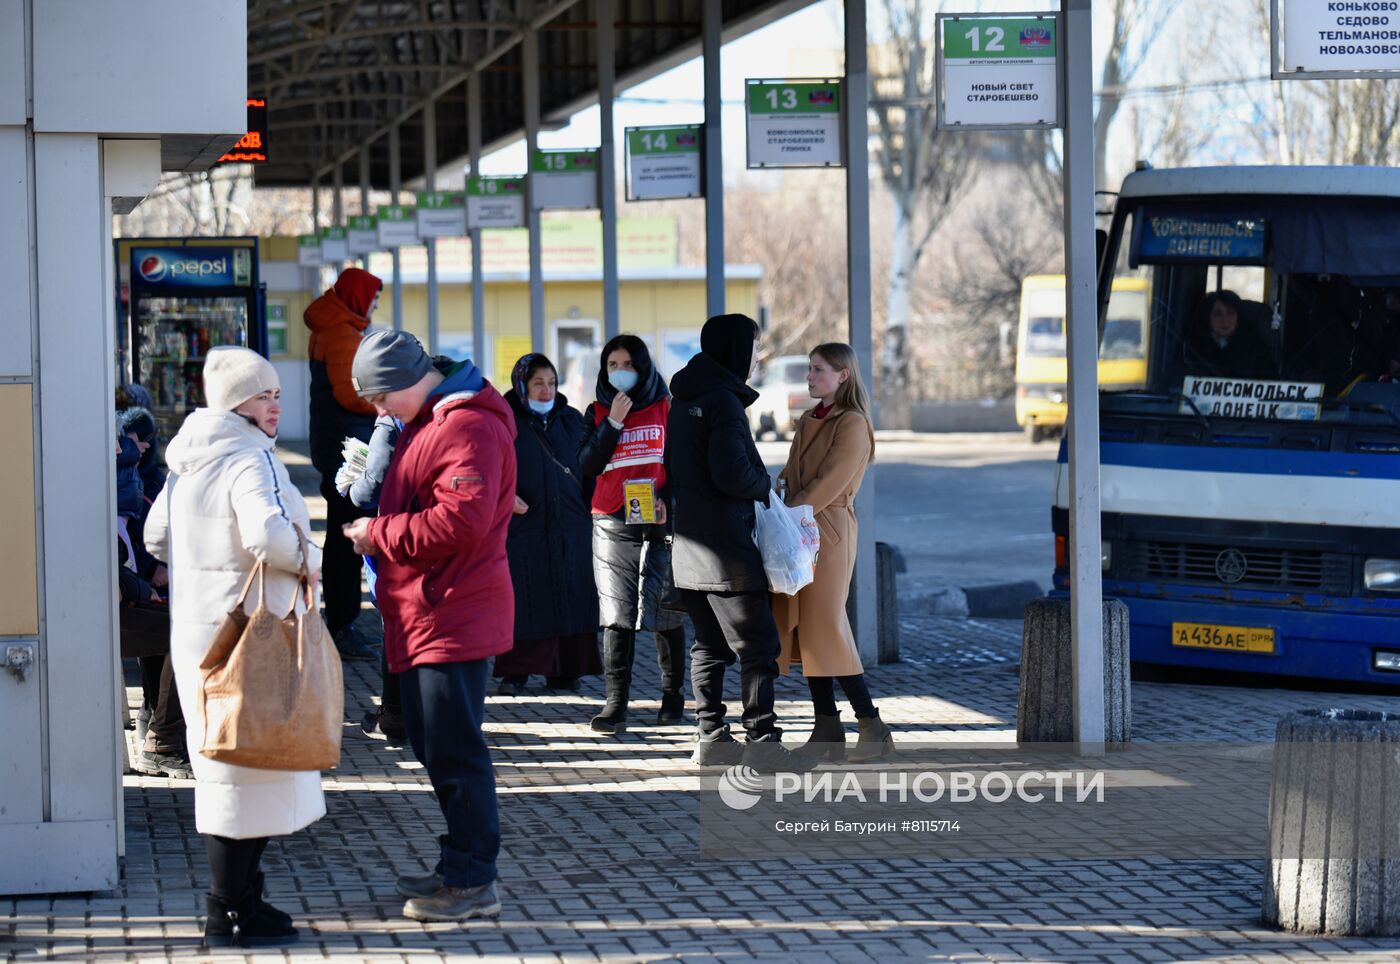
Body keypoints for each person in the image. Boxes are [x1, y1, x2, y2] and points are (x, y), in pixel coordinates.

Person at [144, 347, 323, 948]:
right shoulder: (252, 458)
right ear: (234, 404)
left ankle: (244, 902)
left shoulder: (187, 461)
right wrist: (311, 562)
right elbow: (269, 535)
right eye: (262, 396)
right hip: (254, 637)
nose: (274, 404)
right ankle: (228, 912)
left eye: (276, 393)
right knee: (253, 768)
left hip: (200, 637)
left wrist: (201, 569)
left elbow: (157, 536)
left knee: (223, 769)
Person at [341, 330, 513, 922]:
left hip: (453, 612)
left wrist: (377, 535)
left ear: (407, 381)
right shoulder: (431, 422)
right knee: (432, 742)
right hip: (426, 610)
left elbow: (457, 524)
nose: (380, 412)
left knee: (455, 750)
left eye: (381, 399)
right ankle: (459, 863)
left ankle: (473, 881)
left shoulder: (467, 425)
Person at [666, 314, 816, 775]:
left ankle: (711, 738)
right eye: (753, 347)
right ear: (735, 350)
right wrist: (762, 485)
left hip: (689, 549)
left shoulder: (684, 397)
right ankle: (762, 742)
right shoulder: (723, 403)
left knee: (708, 648)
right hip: (727, 551)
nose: (757, 356)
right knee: (758, 647)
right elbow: (732, 474)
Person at [772, 343, 892, 763]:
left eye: (818, 369)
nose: (809, 376)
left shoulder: (853, 423)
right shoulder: (809, 419)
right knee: (805, 629)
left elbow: (830, 483)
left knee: (826, 625)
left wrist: (786, 511)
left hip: (828, 532)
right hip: (798, 530)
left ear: (843, 375)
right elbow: (792, 473)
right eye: (808, 369)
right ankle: (827, 726)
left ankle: (871, 723)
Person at [577, 335, 687, 733]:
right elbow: (587, 464)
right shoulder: (596, 411)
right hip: (611, 520)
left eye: (628, 364)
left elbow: (679, 464)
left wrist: (667, 503)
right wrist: (613, 423)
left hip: (656, 520)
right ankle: (615, 703)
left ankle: (672, 696)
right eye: (613, 365)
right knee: (616, 613)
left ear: (643, 367)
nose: (620, 372)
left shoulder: (665, 408)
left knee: (662, 610)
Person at [493, 353, 601, 695]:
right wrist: (503, 498)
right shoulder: (503, 421)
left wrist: (587, 510)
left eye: (551, 383)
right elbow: (487, 467)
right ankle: (516, 671)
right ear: (521, 384)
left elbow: (591, 467)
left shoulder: (571, 420)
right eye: (538, 383)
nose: (546, 390)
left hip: (570, 524)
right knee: (524, 596)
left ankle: (566, 671)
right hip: (524, 526)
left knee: (571, 592)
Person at [304, 266, 383, 661]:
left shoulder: (334, 327)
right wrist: (386, 400)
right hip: (348, 445)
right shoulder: (341, 332)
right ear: (356, 295)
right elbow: (351, 395)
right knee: (347, 533)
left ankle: (342, 620)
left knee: (342, 532)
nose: (374, 304)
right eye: (372, 296)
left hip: (336, 441)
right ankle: (342, 623)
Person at [344, 412, 406, 741]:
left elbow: (367, 491)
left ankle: (395, 712)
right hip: (442, 543)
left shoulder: (391, 421)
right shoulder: (454, 414)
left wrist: (352, 485)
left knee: (396, 628)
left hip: (397, 538)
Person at [1184, 290, 1273, 380]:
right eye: (1218, 314)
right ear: (1207, 318)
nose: (1225, 320)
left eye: (1231, 313)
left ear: (1238, 318)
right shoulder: (1194, 347)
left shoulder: (1255, 348)